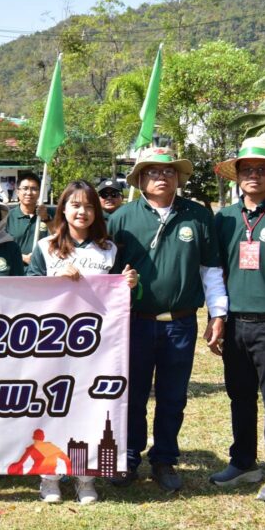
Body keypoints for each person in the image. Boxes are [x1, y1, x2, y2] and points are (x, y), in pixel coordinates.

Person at [107, 147, 226, 492]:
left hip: (181, 322)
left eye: (169, 171)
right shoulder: (122, 218)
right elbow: (105, 271)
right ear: (140, 178)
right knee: (133, 394)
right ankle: (129, 457)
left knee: (173, 396)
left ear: (178, 177)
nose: (162, 177)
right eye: (153, 171)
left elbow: (211, 269)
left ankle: (164, 459)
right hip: (134, 322)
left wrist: (218, 313)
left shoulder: (198, 215)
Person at [26, 179, 139, 504]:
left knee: (90, 408)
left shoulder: (110, 249)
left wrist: (131, 284)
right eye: (75, 205)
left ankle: (85, 477)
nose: (82, 212)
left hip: (97, 346)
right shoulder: (45, 247)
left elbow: (125, 297)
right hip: (53, 343)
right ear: (63, 209)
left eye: (89, 206)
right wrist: (55, 281)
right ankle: (49, 477)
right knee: (52, 406)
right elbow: (28, 292)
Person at [211, 138, 265, 504]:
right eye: (246, 169)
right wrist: (217, 317)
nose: (253, 175)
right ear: (237, 175)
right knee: (240, 396)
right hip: (235, 324)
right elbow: (215, 272)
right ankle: (243, 461)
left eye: (261, 170)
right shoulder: (224, 218)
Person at [7, 172, 54, 265]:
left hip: (42, 269)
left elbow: (59, 237)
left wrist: (46, 219)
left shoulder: (50, 214)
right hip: (16, 269)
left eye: (34, 189)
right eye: (25, 188)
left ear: (39, 192)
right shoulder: (7, 217)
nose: (29, 193)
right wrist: (22, 257)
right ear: (17, 191)